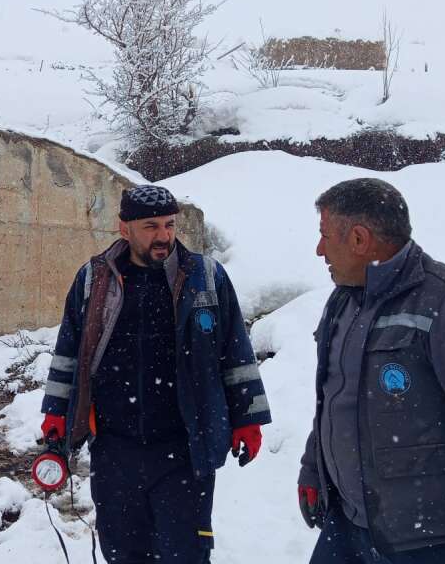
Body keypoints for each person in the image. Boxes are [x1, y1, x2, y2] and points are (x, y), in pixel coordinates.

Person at [298, 178, 445, 564]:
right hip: (348, 526)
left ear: (359, 239)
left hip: (429, 541)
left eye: (325, 236)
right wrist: (313, 470)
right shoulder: (343, 301)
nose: (319, 250)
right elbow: (333, 396)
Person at [39, 184, 271, 564]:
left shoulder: (205, 277)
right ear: (124, 228)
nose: (163, 236)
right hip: (114, 448)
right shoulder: (94, 279)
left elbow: (235, 352)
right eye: (150, 226)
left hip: (183, 448)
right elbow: (70, 353)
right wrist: (56, 414)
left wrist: (248, 418)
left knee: (185, 554)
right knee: (125, 552)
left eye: (169, 224)